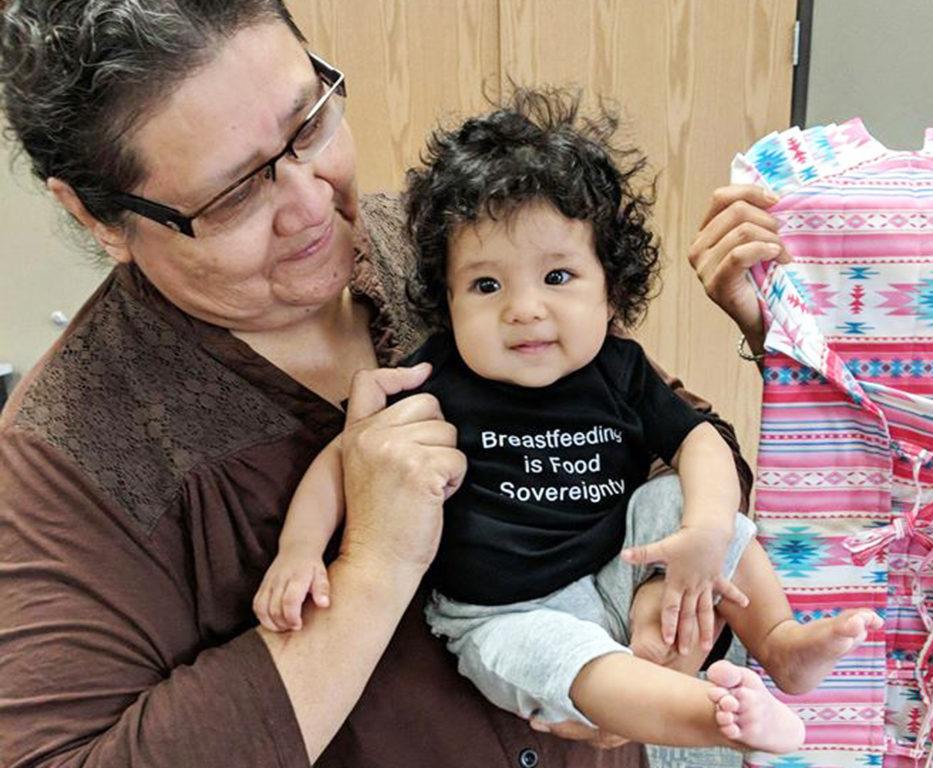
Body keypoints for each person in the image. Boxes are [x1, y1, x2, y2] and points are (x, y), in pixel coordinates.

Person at [0, 2, 758, 766]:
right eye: (232, 196)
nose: (310, 205)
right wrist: (373, 568)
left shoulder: (443, 251)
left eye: (311, 125)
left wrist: (667, 603)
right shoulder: (68, 455)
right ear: (98, 218)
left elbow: (666, 428)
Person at [253, 90, 883, 754]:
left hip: (620, 565)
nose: (523, 310)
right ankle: (718, 718)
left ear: (611, 288)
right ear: (447, 298)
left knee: (678, 496)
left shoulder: (620, 369)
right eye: (486, 286)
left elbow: (700, 441)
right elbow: (346, 456)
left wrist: (704, 528)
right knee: (580, 665)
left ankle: (779, 643)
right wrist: (299, 551)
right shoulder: (435, 376)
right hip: (507, 614)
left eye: (557, 275)